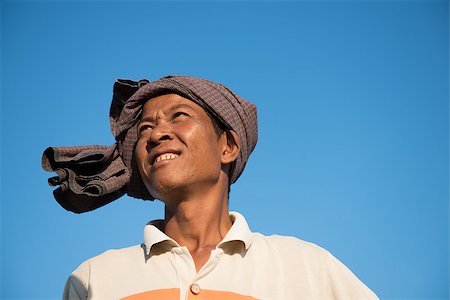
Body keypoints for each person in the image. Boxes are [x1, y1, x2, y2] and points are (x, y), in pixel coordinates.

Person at [42, 75, 378, 299]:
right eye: (145, 127)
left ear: (228, 146)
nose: (156, 134)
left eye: (180, 116)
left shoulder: (307, 268)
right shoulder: (94, 279)